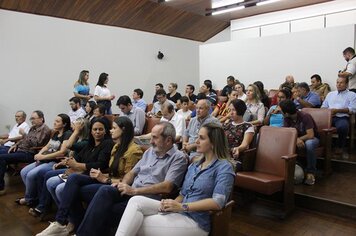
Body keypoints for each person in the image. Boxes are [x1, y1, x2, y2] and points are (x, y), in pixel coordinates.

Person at [37, 122, 188, 236]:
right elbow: (132, 173)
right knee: (77, 183)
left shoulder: (178, 158)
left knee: (106, 201)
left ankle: (82, 231)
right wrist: (124, 185)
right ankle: (62, 222)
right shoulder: (151, 152)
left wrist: (134, 190)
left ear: (168, 141)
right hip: (128, 190)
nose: (151, 141)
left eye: (154, 138)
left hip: (145, 197)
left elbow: (167, 186)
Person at [116, 123, 235, 236]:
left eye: (202, 138)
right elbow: (183, 195)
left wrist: (182, 207)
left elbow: (218, 202)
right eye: (197, 137)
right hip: (180, 212)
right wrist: (170, 205)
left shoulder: (224, 167)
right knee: (136, 201)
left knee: (135, 223)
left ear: (214, 142)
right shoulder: (195, 165)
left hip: (196, 221)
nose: (196, 141)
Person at [35, 117, 141, 235]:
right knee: (73, 179)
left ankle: (77, 225)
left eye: (114, 128)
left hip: (116, 186)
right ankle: (60, 222)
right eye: (111, 128)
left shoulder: (133, 151)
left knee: (69, 190)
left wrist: (105, 178)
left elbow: (128, 181)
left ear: (124, 130)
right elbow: (111, 170)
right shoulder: (117, 146)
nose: (111, 130)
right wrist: (100, 175)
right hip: (105, 179)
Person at [29, 117, 90, 217]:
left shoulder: (85, 141)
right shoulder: (78, 138)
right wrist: (63, 162)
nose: (73, 127)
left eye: (76, 126)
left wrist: (76, 131)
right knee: (47, 175)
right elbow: (71, 157)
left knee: (51, 181)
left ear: (82, 128)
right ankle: (48, 207)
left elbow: (68, 147)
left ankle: (58, 211)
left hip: (77, 171)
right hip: (70, 167)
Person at [17, 114, 72, 206]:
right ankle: (33, 196)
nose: (54, 122)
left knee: (30, 175)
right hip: (45, 159)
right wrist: (39, 154)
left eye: (58, 121)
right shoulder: (56, 133)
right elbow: (47, 146)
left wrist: (43, 157)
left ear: (64, 124)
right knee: (23, 172)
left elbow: (62, 152)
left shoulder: (67, 134)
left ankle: (29, 199)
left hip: (55, 161)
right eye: (55, 120)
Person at [0, 110, 51, 195]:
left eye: (34, 118)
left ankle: (1, 187)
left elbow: (36, 143)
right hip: (20, 149)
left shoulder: (45, 129)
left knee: (1, 158)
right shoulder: (33, 128)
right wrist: (16, 144)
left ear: (41, 119)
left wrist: (24, 134)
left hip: (29, 153)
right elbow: (24, 140)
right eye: (31, 118)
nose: (32, 120)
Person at [280, 100, 319, 186]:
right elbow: (287, 133)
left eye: (281, 110)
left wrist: (298, 139)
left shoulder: (305, 116)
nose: (280, 112)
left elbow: (310, 135)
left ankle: (311, 172)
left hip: (311, 138)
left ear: (286, 113)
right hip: (297, 138)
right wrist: (296, 139)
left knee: (310, 144)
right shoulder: (287, 118)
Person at [321, 75, 356, 156]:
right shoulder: (330, 94)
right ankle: (323, 145)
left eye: (341, 83)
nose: (338, 84)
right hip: (328, 116)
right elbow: (323, 106)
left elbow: (353, 109)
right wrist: (328, 111)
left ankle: (339, 146)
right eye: (337, 82)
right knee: (317, 124)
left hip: (342, 117)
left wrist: (338, 110)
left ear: (346, 84)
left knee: (343, 126)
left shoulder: (352, 95)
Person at [223, 99, 255, 171]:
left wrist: (238, 149)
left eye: (233, 110)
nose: (230, 113)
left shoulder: (248, 126)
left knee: (224, 167)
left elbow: (244, 145)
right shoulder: (226, 125)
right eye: (229, 110)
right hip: (222, 156)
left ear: (240, 111)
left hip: (236, 158)